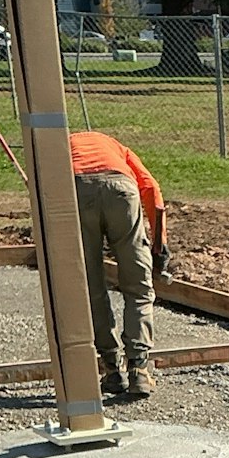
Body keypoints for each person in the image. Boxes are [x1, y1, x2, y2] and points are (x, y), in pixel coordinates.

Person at [69, 130, 171, 400]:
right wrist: (160, 245)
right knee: (138, 288)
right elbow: (150, 187)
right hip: (121, 191)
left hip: (77, 190)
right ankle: (139, 369)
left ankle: (112, 368)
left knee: (91, 287)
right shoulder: (117, 148)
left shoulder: (63, 148)